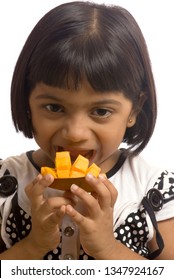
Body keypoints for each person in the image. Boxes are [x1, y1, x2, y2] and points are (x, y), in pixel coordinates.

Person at [0, 1, 174, 260]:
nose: (75, 133)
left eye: (101, 111)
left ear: (134, 110)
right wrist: (33, 246)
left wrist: (109, 248)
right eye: (54, 107)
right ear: (27, 103)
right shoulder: (6, 182)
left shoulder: (154, 188)